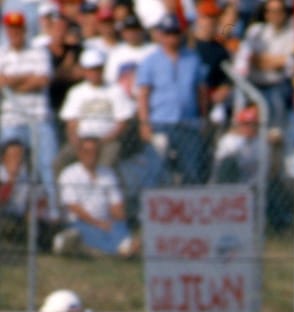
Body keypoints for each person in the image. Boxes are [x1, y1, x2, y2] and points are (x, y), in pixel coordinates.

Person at [135, 13, 210, 184]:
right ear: (160, 34)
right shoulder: (150, 61)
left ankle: (190, 207)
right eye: (167, 33)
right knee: (156, 169)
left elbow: (201, 92)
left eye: (175, 32)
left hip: (188, 122)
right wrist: (144, 123)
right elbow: (144, 94)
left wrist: (203, 118)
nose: (171, 37)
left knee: (191, 171)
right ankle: (153, 208)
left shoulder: (192, 58)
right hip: (160, 121)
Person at [0, 11, 61, 220]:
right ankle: (10, 209)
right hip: (12, 118)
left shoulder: (39, 52)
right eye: (11, 28)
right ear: (6, 31)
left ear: (25, 30)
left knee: (49, 165)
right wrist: (27, 78)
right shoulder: (2, 53)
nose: (14, 32)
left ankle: (54, 211)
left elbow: (42, 80)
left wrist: (12, 81)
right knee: (12, 158)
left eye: (18, 28)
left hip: (39, 117)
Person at [55, 134, 139, 258]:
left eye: (95, 152)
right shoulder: (69, 174)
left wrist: (117, 218)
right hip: (81, 221)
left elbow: (116, 204)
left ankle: (122, 247)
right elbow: (73, 207)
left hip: (106, 221)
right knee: (87, 233)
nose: (91, 155)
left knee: (119, 226)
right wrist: (97, 223)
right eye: (87, 151)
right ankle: (121, 249)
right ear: (79, 153)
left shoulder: (108, 173)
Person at [56, 47, 136, 176]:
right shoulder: (76, 92)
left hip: (107, 141)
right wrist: (77, 143)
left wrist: (103, 141)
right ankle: (61, 195)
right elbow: (71, 123)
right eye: (91, 69)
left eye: (97, 69)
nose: (94, 73)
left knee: (105, 167)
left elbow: (122, 123)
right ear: (85, 71)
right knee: (59, 163)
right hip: (81, 140)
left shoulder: (115, 90)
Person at [239, 0, 294, 140]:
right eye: (271, 11)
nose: (275, 15)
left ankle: (275, 134)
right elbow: (250, 58)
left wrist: (263, 60)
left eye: (279, 11)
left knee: (277, 98)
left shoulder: (292, 34)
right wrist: (274, 60)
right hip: (255, 85)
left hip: (279, 86)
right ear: (266, 14)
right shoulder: (256, 31)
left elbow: (288, 62)